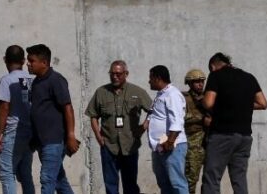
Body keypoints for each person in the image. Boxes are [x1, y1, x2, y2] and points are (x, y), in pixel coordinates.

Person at [201, 52, 267, 194]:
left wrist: (220, 105)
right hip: (244, 137)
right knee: (239, 178)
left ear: (213, 66)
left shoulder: (216, 76)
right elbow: (263, 103)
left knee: (212, 177)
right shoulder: (249, 78)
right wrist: (240, 104)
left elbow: (208, 102)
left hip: (222, 134)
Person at [85, 60, 152, 194]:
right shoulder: (101, 92)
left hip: (130, 145)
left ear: (126, 74)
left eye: (118, 74)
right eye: (112, 73)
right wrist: (98, 136)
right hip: (109, 145)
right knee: (110, 184)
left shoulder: (137, 92)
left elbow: (153, 111)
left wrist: (143, 127)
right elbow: (93, 115)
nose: (115, 76)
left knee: (130, 184)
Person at [27, 44, 79, 194]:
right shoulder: (37, 82)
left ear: (44, 63)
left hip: (54, 141)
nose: (28, 64)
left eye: (32, 61)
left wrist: (70, 135)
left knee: (47, 178)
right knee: (59, 181)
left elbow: (68, 108)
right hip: (41, 141)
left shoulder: (56, 80)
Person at [0, 45, 35, 194]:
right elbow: (27, 103)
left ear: (5, 60)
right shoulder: (29, 79)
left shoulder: (7, 80)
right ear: (24, 60)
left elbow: (5, 106)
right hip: (29, 131)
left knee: (7, 173)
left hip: (12, 132)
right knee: (25, 175)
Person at [147, 65, 188, 194]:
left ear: (158, 78)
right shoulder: (161, 95)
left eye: (151, 78)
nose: (149, 81)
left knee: (177, 183)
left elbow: (177, 120)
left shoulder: (172, 94)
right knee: (164, 183)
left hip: (172, 146)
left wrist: (170, 142)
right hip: (160, 146)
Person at [181, 68, 209, 194]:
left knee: (209, 178)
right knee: (191, 176)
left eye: (202, 81)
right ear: (190, 83)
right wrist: (201, 118)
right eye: (197, 82)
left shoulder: (208, 97)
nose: (200, 84)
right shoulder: (184, 98)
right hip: (192, 141)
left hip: (208, 141)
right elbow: (181, 117)